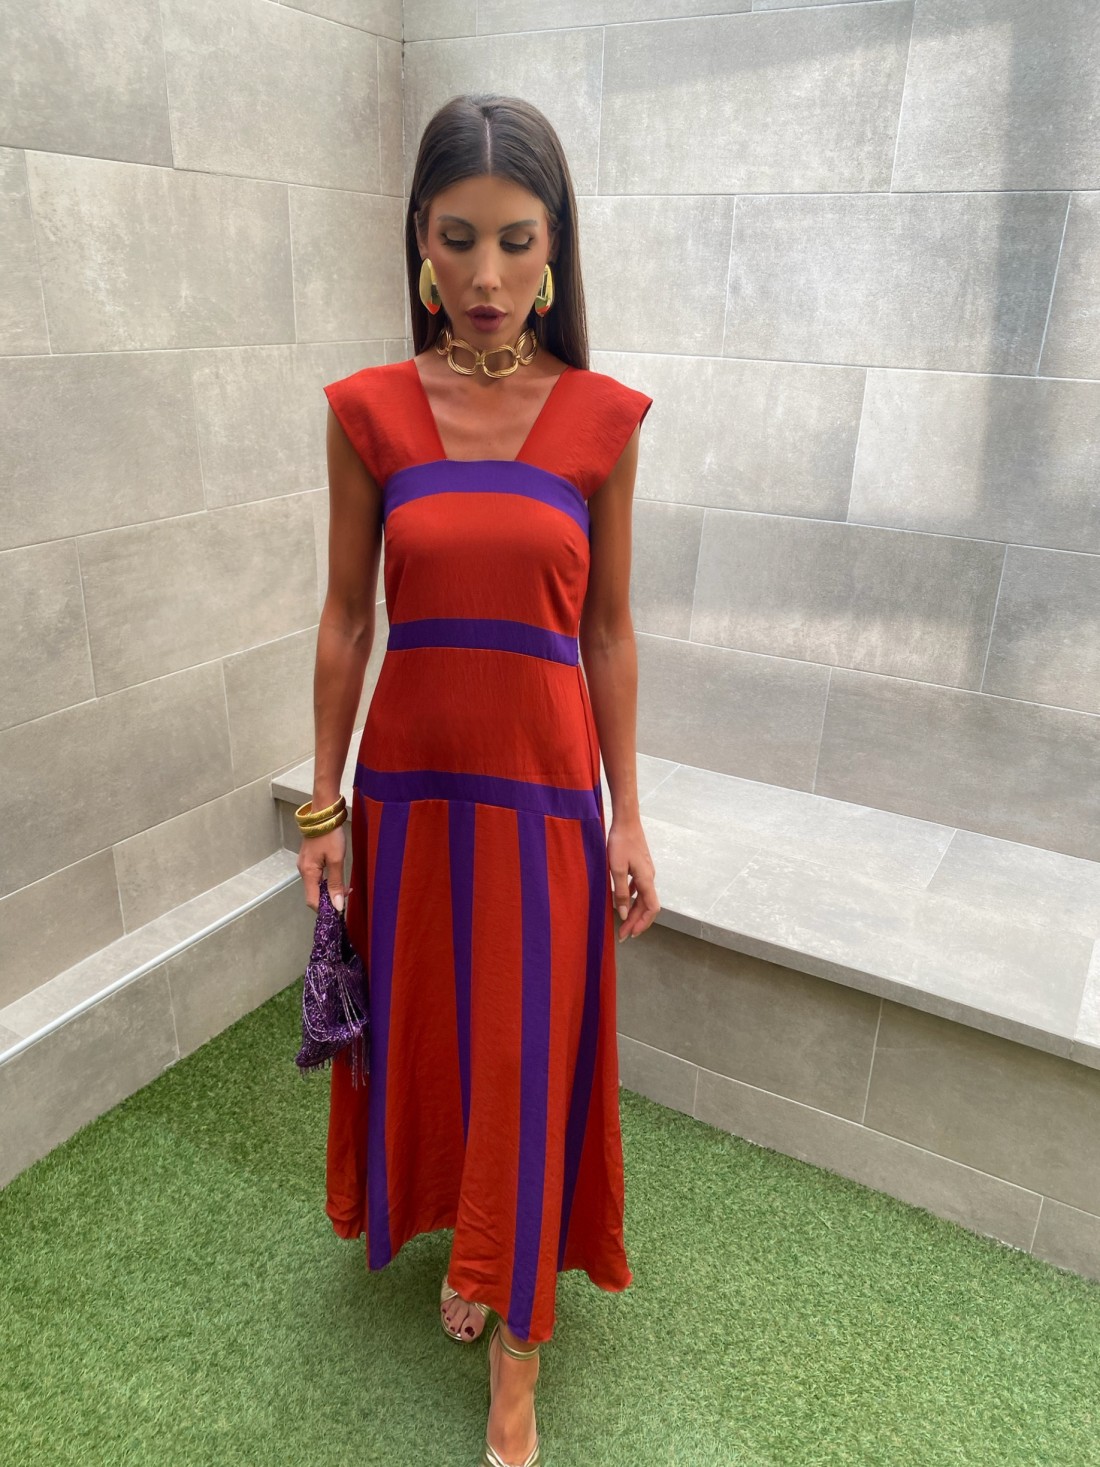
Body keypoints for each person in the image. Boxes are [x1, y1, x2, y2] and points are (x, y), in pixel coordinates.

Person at [297, 92, 661, 1467]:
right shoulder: (369, 413)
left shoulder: (603, 420)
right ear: (419, 240)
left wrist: (632, 816)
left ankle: (520, 1355)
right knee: (437, 1041)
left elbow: (608, 632)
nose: (488, 276)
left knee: (522, 1057)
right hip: (409, 798)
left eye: (517, 241)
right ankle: (471, 1248)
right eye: (459, 240)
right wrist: (323, 807)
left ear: (556, 246)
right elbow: (347, 618)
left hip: (544, 806)